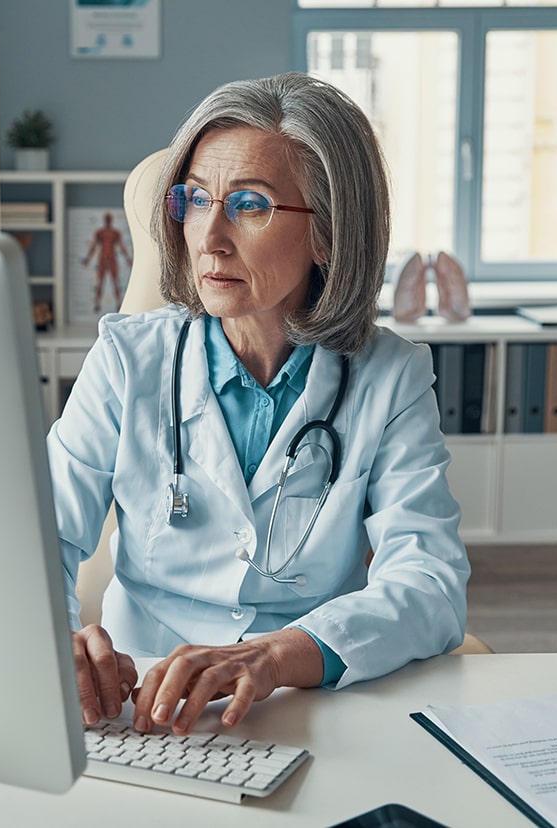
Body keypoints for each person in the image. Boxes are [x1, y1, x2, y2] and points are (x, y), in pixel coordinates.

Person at [47, 72, 469, 737]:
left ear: (328, 233)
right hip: (137, 703)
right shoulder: (129, 360)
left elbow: (429, 582)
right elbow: (40, 539)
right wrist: (53, 640)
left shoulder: (390, 376)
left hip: (304, 700)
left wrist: (275, 656)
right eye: (195, 199)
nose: (208, 235)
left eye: (249, 205)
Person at [82, 211, 132, 313]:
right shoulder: (100, 232)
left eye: (109, 218)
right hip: (102, 259)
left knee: (115, 282)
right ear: (105, 220)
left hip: (112, 259)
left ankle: (119, 303)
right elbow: (94, 246)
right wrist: (87, 258)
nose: (108, 220)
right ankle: (97, 303)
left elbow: (121, 246)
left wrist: (127, 259)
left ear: (111, 220)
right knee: (100, 282)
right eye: (107, 218)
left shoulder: (115, 233)